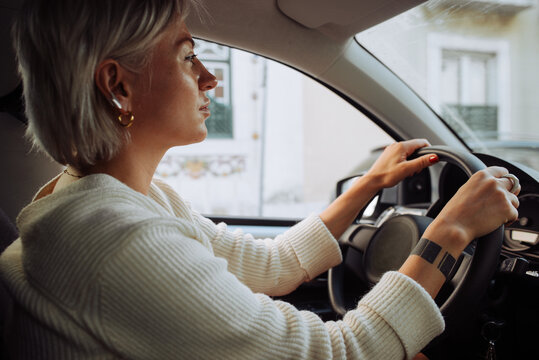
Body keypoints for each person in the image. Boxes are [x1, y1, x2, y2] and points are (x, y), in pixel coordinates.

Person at [0, 0, 520, 359]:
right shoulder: (111, 239)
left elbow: (273, 263)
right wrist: (449, 233)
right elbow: (341, 353)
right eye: (187, 56)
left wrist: (367, 186)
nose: (210, 76)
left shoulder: (114, 202)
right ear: (118, 87)